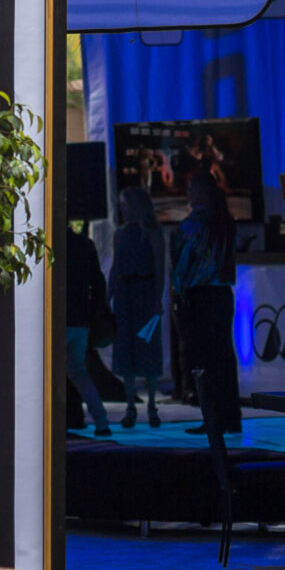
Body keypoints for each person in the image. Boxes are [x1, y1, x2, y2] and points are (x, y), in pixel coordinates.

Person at [173, 170, 241, 444]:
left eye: (191, 188)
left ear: (201, 192)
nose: (188, 193)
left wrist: (178, 294)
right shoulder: (226, 221)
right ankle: (231, 416)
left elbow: (182, 265)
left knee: (203, 358)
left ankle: (212, 419)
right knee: (224, 355)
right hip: (223, 295)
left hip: (200, 296)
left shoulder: (193, 224)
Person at [109, 186, 168, 428]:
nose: (123, 209)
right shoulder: (120, 233)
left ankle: (152, 405)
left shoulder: (152, 232)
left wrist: (158, 298)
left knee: (148, 347)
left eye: (126, 204)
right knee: (126, 349)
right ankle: (131, 406)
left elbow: (159, 267)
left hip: (144, 292)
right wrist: (108, 296)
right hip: (125, 294)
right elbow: (116, 267)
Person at [64, 224, 113, 437]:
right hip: (81, 318)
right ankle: (101, 421)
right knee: (79, 371)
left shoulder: (52, 245)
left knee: (51, 372)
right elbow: (98, 282)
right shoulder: (85, 244)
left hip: (59, 316)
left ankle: (52, 423)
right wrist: (95, 313)